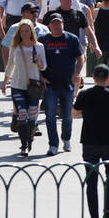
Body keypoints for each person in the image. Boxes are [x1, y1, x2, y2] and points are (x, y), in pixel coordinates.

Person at [72, 65, 109, 218]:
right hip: (108, 141)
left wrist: (86, 112)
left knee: (91, 181)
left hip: (89, 142)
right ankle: (108, 211)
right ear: (108, 78)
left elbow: (74, 113)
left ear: (93, 77)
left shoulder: (84, 95)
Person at [39, 14, 85, 156]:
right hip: (50, 85)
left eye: (59, 23)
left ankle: (66, 139)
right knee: (50, 116)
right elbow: (35, 61)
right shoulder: (43, 41)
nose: (57, 26)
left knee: (67, 116)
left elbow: (80, 57)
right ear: (49, 26)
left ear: (63, 24)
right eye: (54, 24)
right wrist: (40, 77)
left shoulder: (71, 39)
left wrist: (77, 73)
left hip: (67, 84)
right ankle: (53, 145)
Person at [7, 21, 47, 157]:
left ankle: (29, 141)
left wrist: (39, 61)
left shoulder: (39, 47)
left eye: (27, 30)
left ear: (31, 32)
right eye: (22, 31)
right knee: (22, 114)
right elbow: (10, 65)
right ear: (19, 33)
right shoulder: (16, 47)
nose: (25, 33)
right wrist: (6, 80)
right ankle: (23, 146)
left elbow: (44, 66)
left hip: (33, 87)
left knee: (32, 116)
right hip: (17, 85)